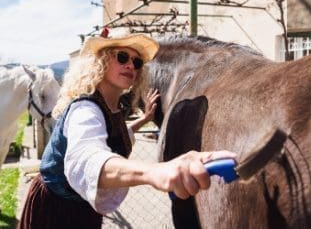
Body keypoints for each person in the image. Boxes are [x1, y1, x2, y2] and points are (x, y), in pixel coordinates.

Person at [18, 32, 235, 228]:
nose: (131, 65)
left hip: (82, 205)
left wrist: (145, 119)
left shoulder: (112, 106)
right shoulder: (85, 109)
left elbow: (113, 139)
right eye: (122, 57)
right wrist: (157, 172)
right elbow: (86, 157)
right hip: (56, 208)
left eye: (137, 61)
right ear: (101, 62)